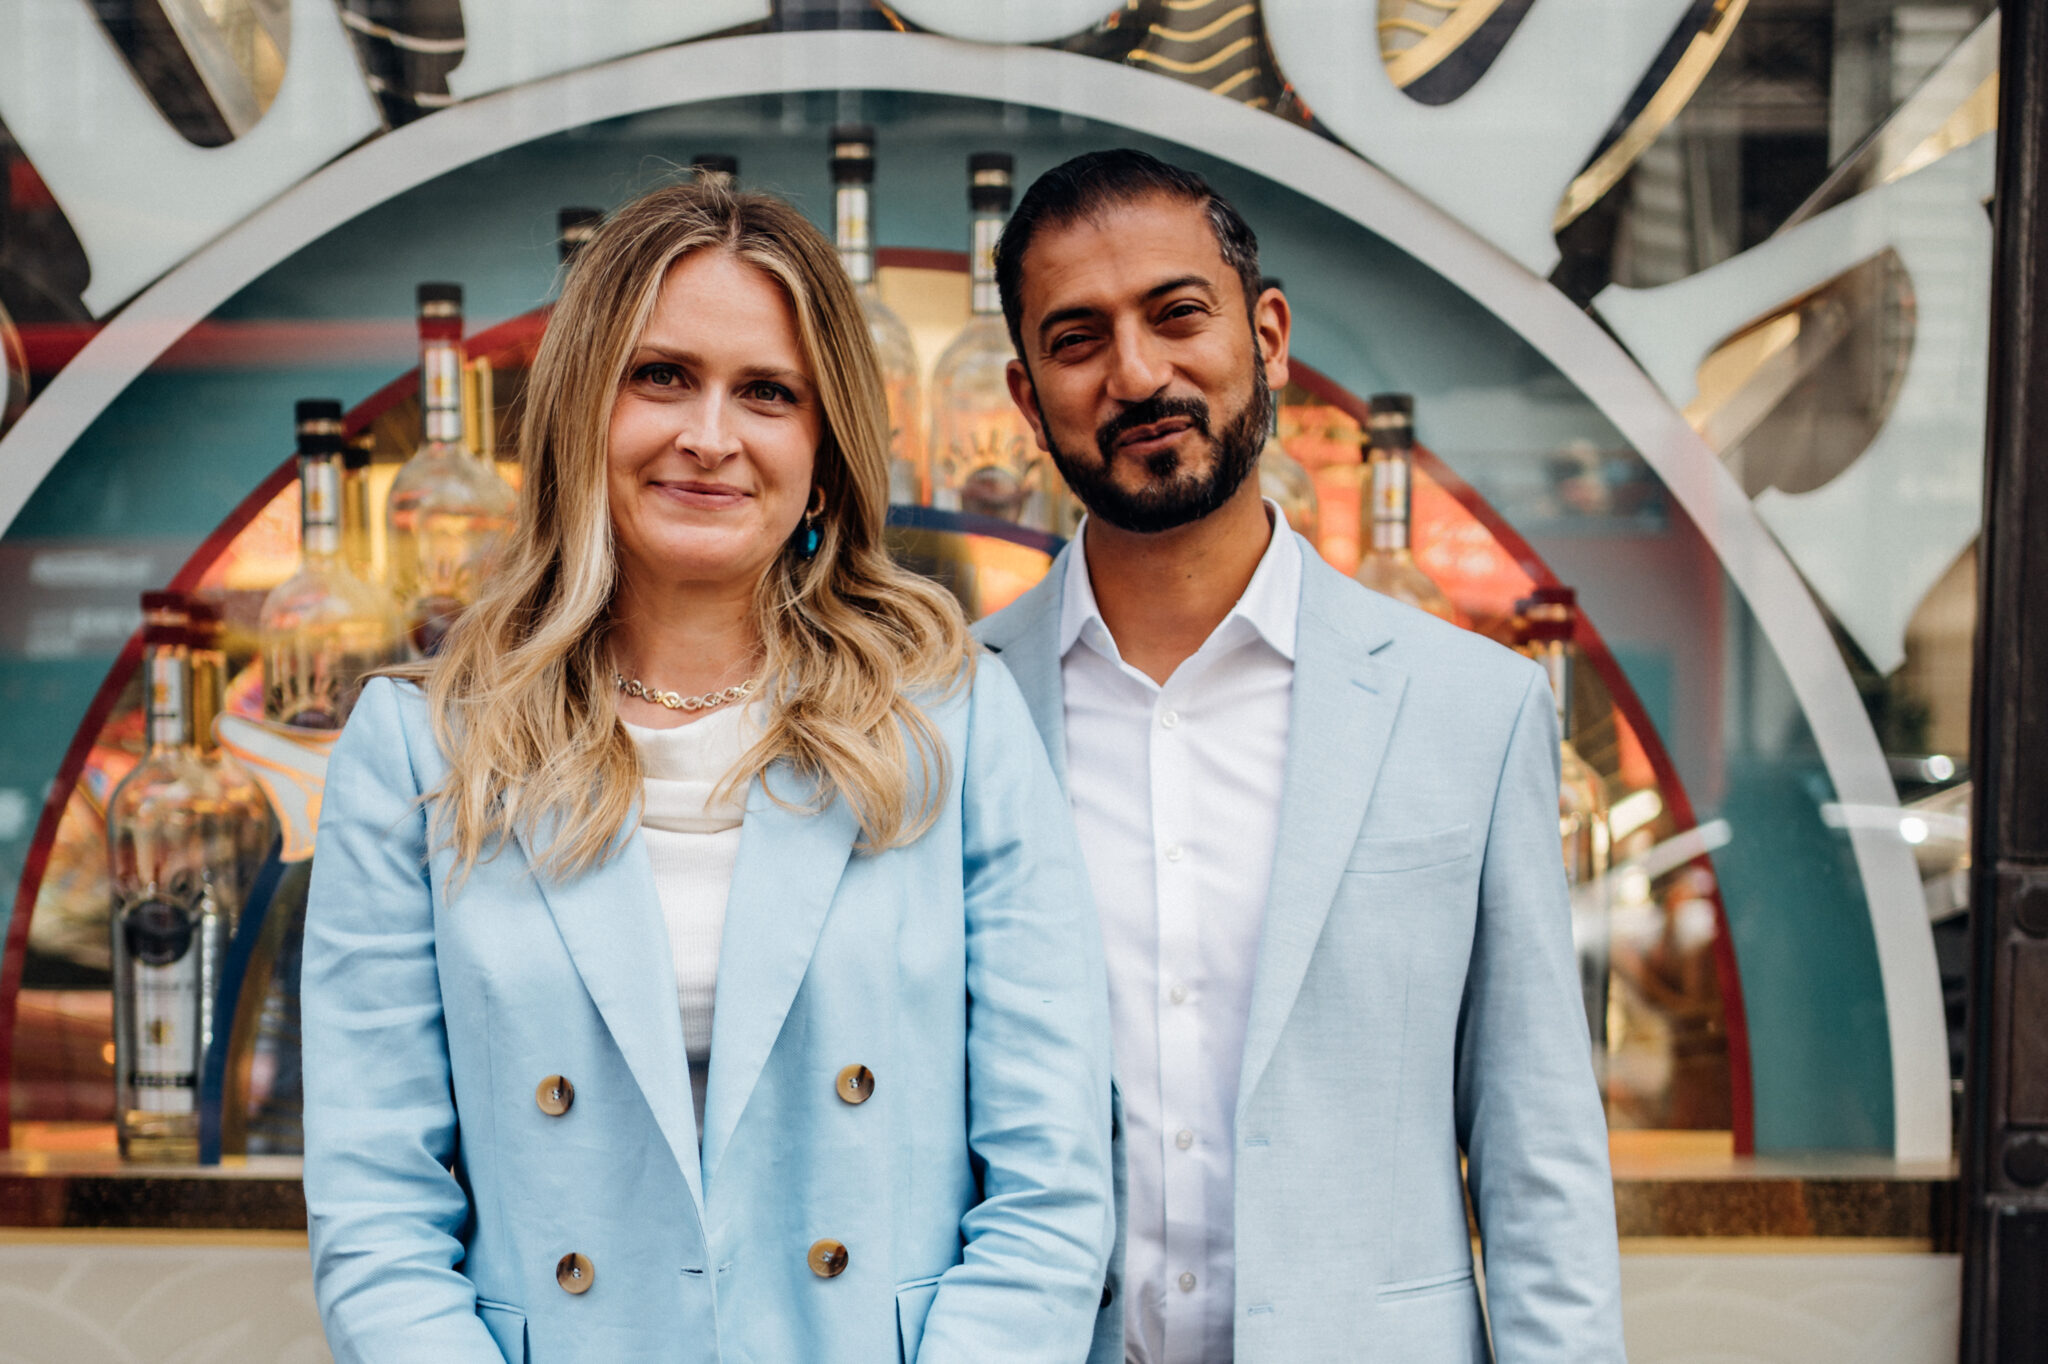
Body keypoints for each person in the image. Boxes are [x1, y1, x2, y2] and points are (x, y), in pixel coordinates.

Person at [301, 182, 1114, 1364]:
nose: (710, 435)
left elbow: (1048, 1180)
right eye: (661, 375)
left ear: (823, 447)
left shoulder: (952, 721)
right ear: (583, 406)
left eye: (767, 393)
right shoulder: (422, 745)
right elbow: (379, 1212)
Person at [978, 148, 1624, 1363]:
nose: (1136, 373)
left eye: (1178, 315)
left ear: (1265, 336)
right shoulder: (944, 711)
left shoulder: (1468, 709)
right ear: (1025, 397)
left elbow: (1538, 1158)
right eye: (1077, 339)